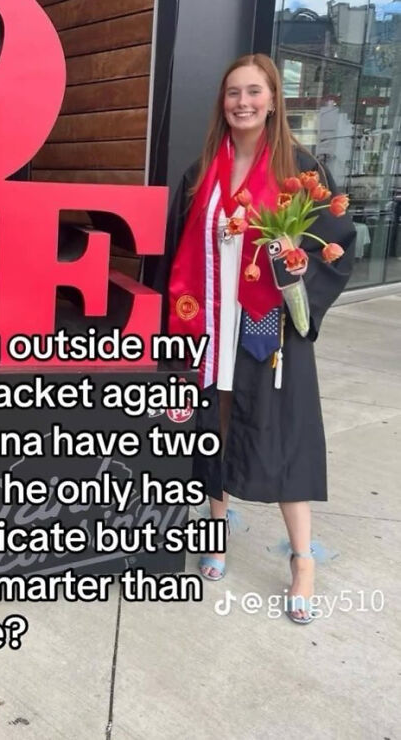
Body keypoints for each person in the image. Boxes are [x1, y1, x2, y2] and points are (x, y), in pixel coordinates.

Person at [158, 53, 356, 624]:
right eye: (232, 94)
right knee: (212, 428)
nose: (242, 103)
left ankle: (302, 560)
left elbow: (334, 244)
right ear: (223, 103)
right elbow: (176, 253)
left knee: (285, 437)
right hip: (209, 324)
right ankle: (215, 534)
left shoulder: (300, 172)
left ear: (273, 100)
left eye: (253, 92)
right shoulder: (201, 173)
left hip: (267, 330)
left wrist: (293, 272)